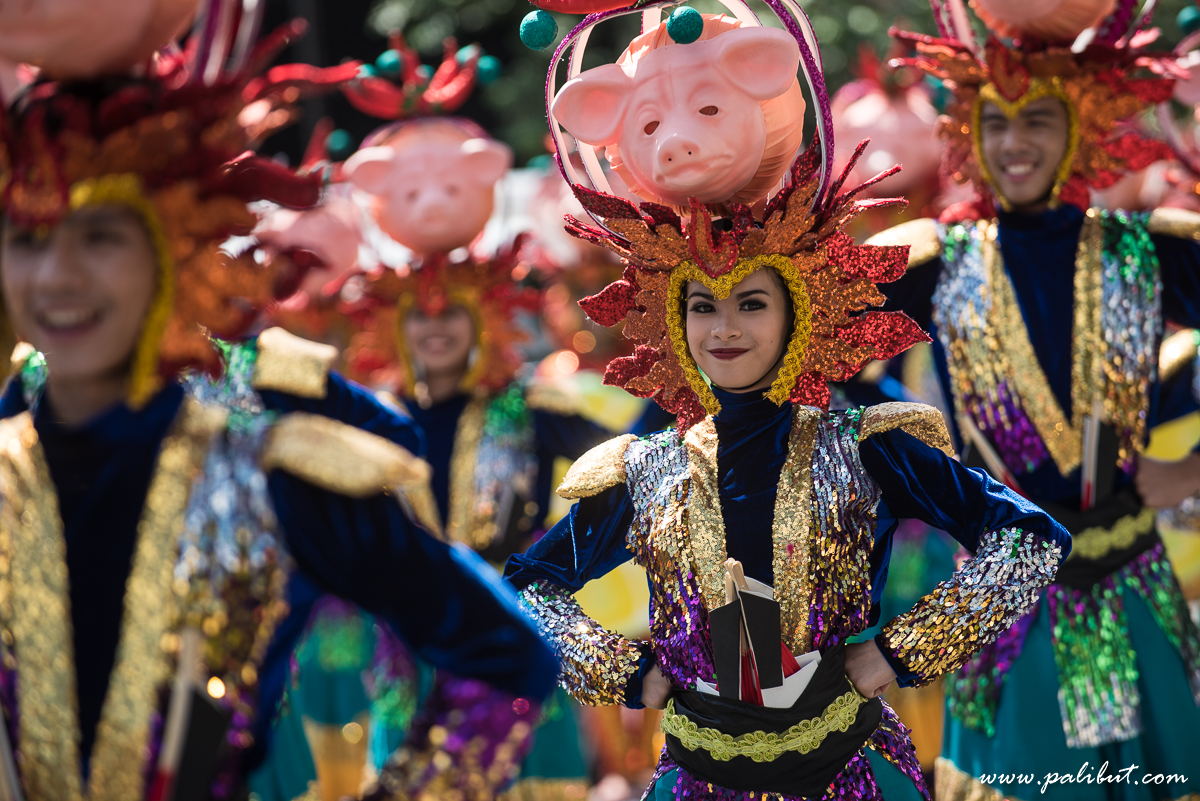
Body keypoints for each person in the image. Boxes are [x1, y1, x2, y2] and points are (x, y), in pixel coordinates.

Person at [502, 4, 1072, 798]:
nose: (725, 328)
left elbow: (1031, 540)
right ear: (673, 322)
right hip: (696, 779)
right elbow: (527, 587)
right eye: (703, 307)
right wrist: (627, 671)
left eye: (752, 303)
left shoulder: (866, 446)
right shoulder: (650, 470)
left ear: (799, 310)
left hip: (849, 770)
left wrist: (899, 652)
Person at [0, 18, 558, 800]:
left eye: (98, 237)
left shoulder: (271, 468)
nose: (56, 276)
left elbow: (507, 656)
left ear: (172, 248)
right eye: (28, 238)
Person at [871, 2, 1200, 796]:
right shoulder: (934, 260)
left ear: (1080, 129)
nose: (1014, 142)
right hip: (1004, 599)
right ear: (969, 134)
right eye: (996, 123)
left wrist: (1193, 469)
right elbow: (790, 331)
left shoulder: (1147, 250)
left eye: (1038, 121)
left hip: (1130, 581)